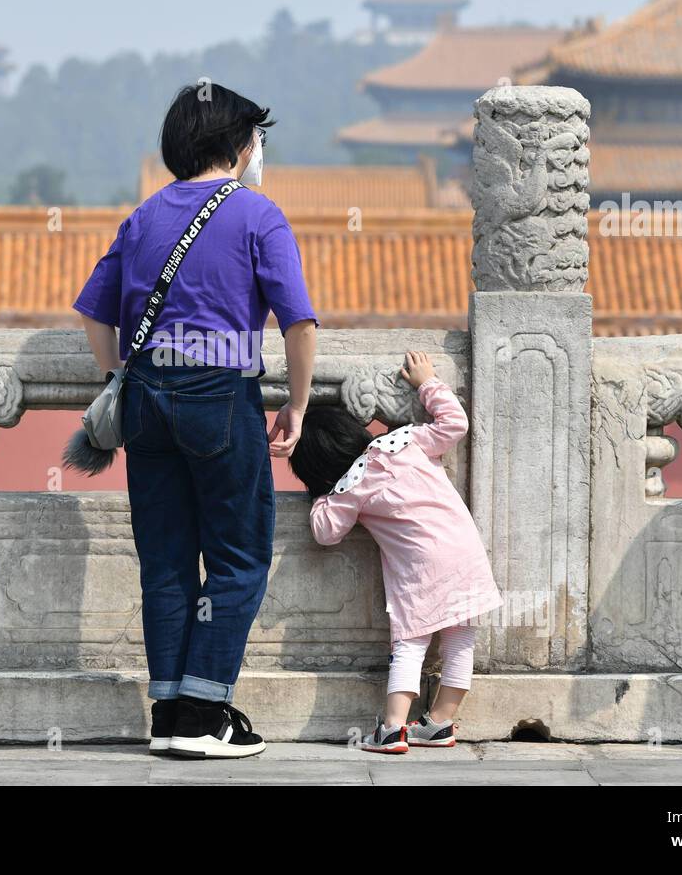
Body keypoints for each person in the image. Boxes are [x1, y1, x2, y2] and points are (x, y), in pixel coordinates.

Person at [73, 82, 318, 758]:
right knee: (238, 559)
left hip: (147, 396)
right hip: (220, 395)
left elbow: (95, 314)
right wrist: (295, 404)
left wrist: (116, 379)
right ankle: (205, 714)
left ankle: (168, 712)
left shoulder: (144, 215)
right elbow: (298, 322)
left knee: (167, 561)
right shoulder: (257, 216)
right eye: (257, 139)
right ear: (240, 146)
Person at [289, 351, 502, 753]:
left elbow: (325, 532)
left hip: (421, 571)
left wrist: (322, 494)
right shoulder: (402, 440)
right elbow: (454, 423)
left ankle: (392, 729)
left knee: (410, 642)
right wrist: (427, 383)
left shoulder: (352, 485)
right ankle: (439, 723)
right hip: (466, 551)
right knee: (460, 641)